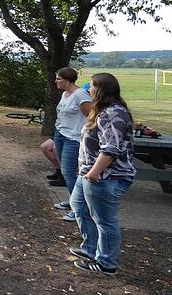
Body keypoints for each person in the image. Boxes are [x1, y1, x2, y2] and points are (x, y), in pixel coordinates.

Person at [69, 73, 135, 275]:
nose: (89, 90)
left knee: (104, 221)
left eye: (92, 87)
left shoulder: (114, 114)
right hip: (89, 173)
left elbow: (111, 149)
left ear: (101, 90)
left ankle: (106, 263)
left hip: (106, 177)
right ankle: (90, 249)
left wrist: (93, 174)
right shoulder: (102, 111)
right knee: (78, 206)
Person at [51, 67, 92, 222]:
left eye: (58, 79)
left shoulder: (80, 94)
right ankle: (72, 200)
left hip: (73, 139)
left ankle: (78, 209)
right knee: (65, 171)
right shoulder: (64, 94)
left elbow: (92, 116)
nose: (56, 81)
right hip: (60, 135)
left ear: (67, 80)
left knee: (68, 172)